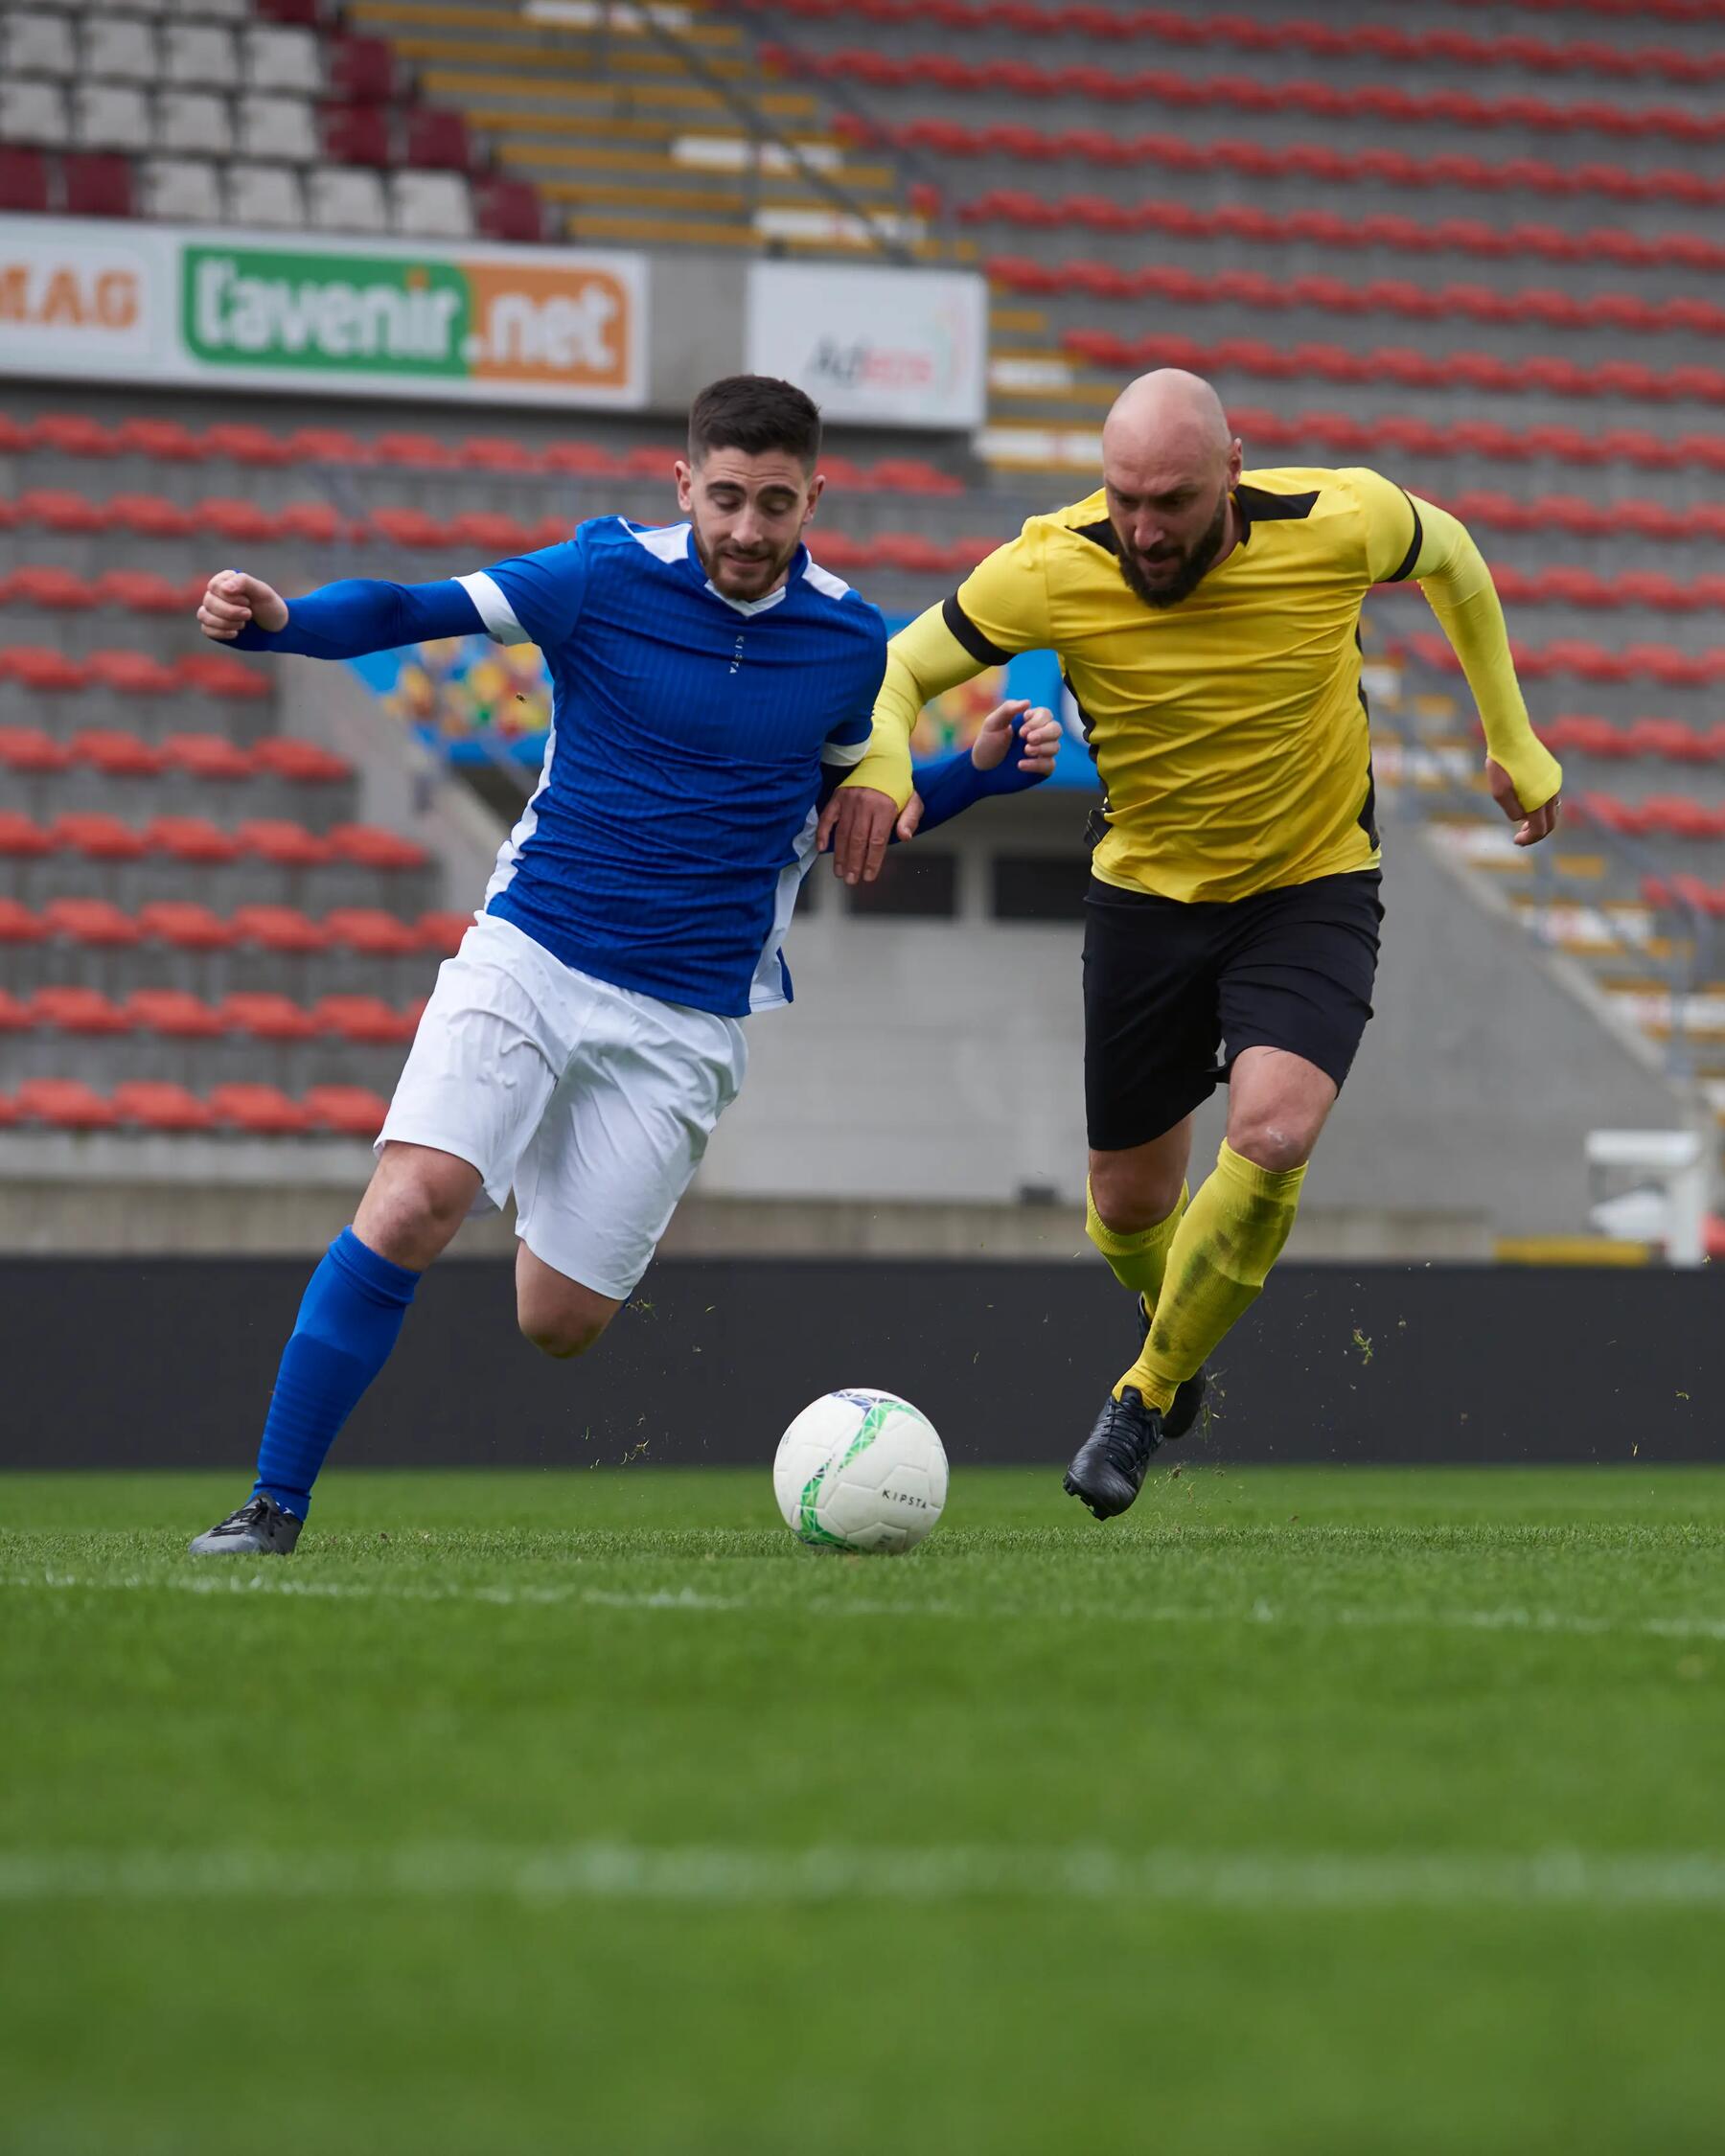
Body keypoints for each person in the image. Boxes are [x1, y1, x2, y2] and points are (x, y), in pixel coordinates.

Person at [185, 375, 1059, 1555]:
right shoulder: (598, 575)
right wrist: (288, 622)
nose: (749, 529)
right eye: (729, 498)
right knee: (411, 1204)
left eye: (777, 504)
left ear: (816, 499)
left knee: (560, 1322)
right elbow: (406, 606)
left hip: (684, 1019)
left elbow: (844, 809)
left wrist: (977, 776)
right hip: (534, 954)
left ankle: (525, 1145)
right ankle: (272, 1507)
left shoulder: (852, 643)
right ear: (685, 485)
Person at [828, 368, 1563, 1521]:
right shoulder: (1051, 565)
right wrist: (882, 763)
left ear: (1232, 469)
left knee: (1271, 1134)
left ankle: (1142, 1391)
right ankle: (1170, 1314)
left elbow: (1455, 555)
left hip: (1310, 887)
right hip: (1145, 904)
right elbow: (901, 667)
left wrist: (1512, 736)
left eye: (1168, 501)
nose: (1141, 529)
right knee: (1126, 1208)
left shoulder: (1335, 521)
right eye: (1122, 498)